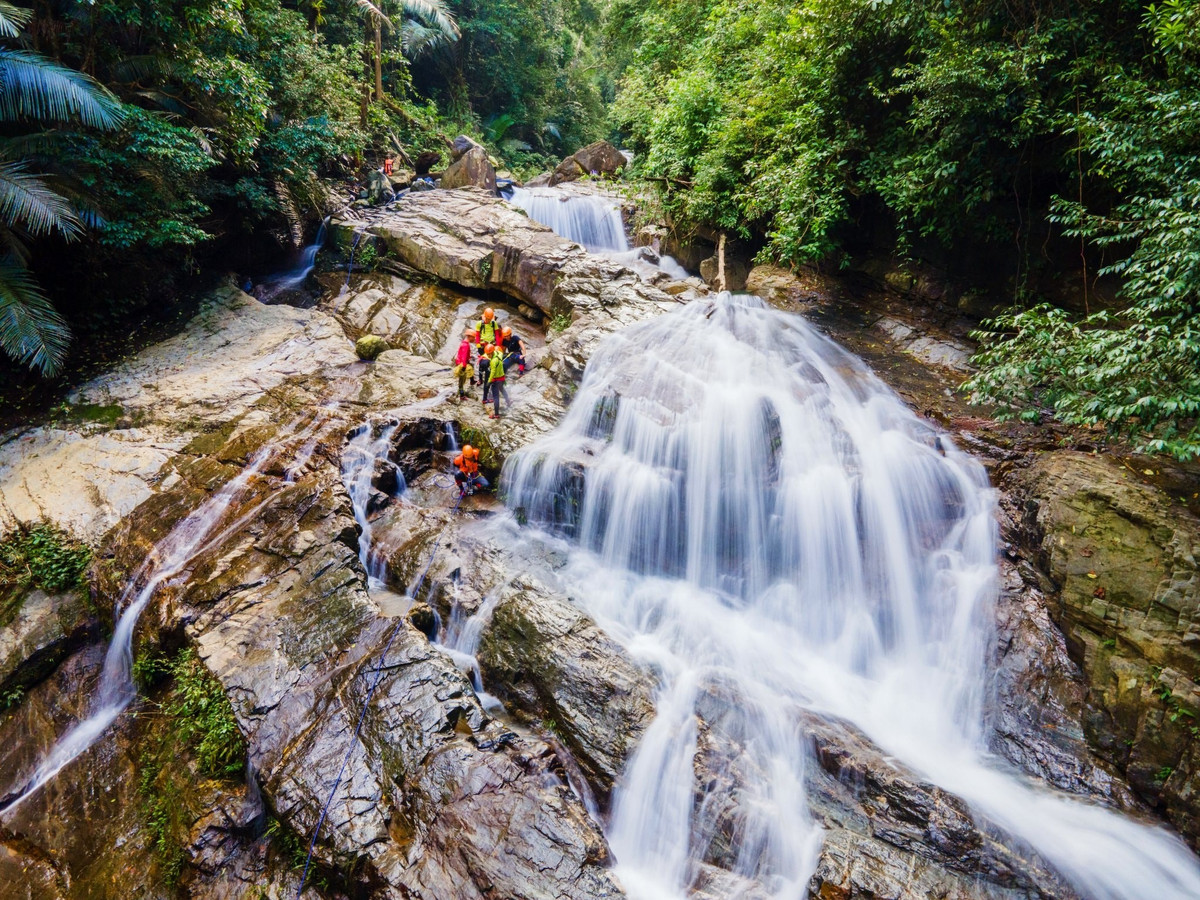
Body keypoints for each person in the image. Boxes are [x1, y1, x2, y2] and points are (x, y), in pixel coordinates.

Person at [487, 339, 510, 418]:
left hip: (496, 380)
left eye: (489, 354)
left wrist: (489, 381)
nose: (488, 355)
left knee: (496, 397)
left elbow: (492, 372)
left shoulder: (493, 361)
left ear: (492, 352)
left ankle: (496, 414)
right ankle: (508, 401)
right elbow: (499, 351)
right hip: (502, 378)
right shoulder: (499, 354)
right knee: (503, 390)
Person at [452, 330, 473, 400]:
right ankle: (461, 395)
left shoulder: (464, 343)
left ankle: (460, 392)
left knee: (461, 381)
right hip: (462, 364)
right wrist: (464, 366)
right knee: (461, 381)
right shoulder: (466, 345)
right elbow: (464, 356)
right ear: (469, 337)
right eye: (473, 337)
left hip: (460, 362)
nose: (474, 339)